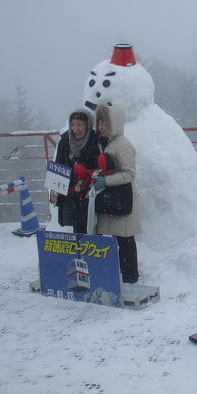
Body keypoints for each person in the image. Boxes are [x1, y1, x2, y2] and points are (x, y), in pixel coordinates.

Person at [91, 104, 142, 283]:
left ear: (115, 123)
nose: (100, 127)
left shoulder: (123, 145)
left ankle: (130, 276)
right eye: (99, 123)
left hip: (123, 197)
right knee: (118, 239)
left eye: (104, 122)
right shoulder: (110, 142)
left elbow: (129, 173)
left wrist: (105, 181)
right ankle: (124, 274)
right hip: (115, 198)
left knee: (126, 240)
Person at [51, 109, 99, 233]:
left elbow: (99, 166)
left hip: (90, 192)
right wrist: (55, 188)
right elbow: (59, 163)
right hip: (71, 192)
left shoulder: (95, 140)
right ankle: (80, 248)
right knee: (77, 225)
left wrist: (87, 181)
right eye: (73, 125)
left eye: (79, 124)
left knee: (93, 225)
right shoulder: (65, 140)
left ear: (88, 124)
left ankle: (93, 249)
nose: (75, 129)